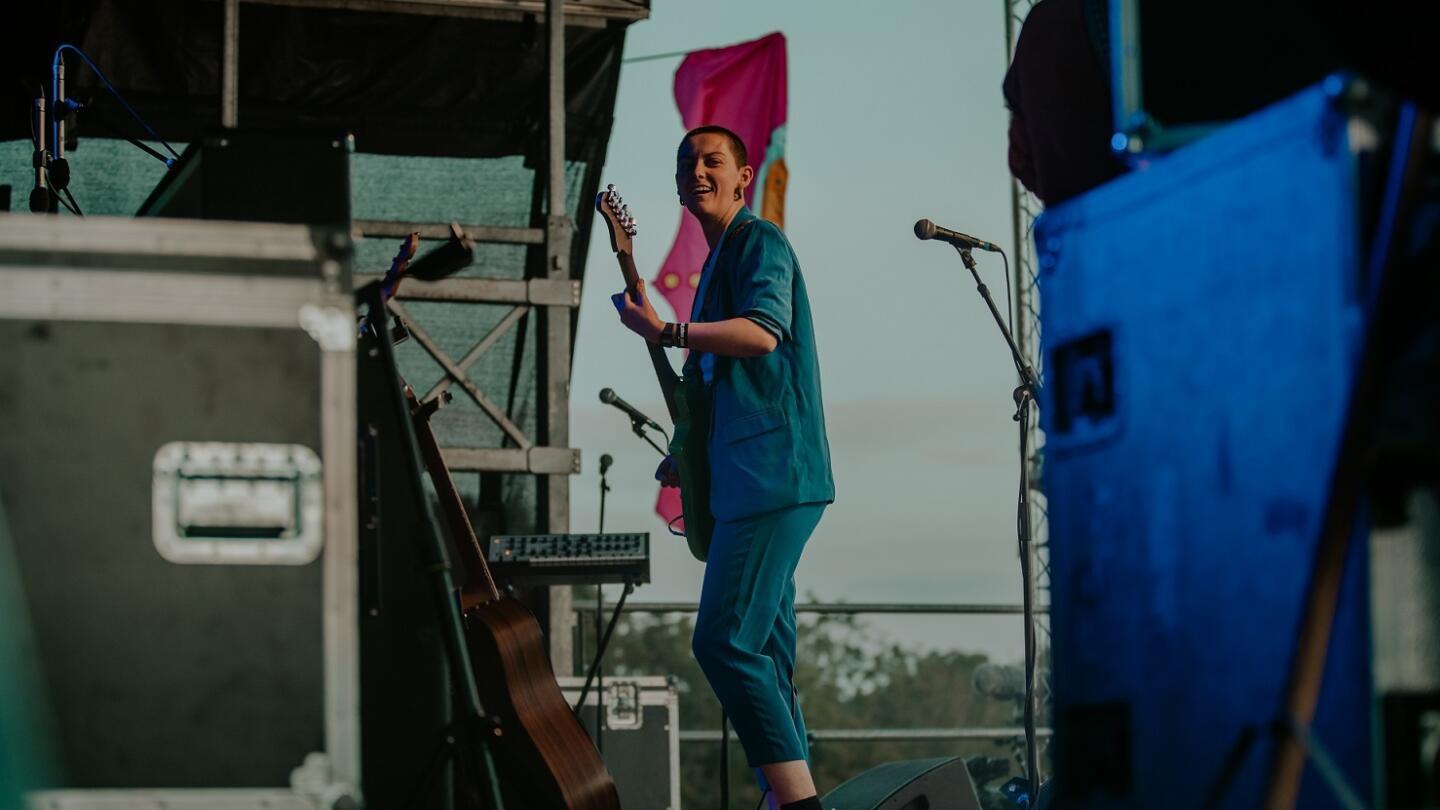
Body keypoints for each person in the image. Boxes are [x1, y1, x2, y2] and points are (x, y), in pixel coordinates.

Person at [612, 125, 835, 810]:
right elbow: (711, 390)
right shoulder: (714, 267)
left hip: (774, 474)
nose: (699, 171)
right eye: (688, 164)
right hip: (745, 479)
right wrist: (690, 456)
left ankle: (799, 803)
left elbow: (763, 332)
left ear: (743, 177)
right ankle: (783, 792)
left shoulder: (760, 242)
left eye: (713, 161)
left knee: (723, 641)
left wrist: (667, 330)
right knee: (764, 650)